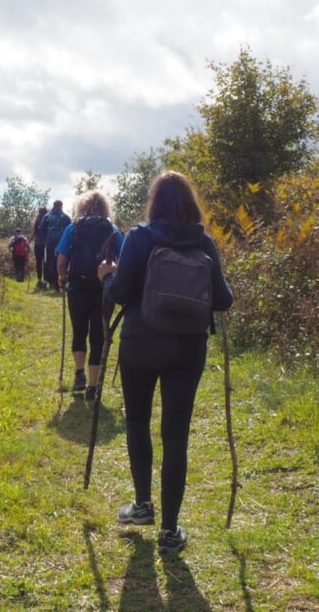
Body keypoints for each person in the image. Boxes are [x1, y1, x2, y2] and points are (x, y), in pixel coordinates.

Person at [97, 171, 232, 555]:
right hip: (187, 349)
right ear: (190, 203)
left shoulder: (139, 237)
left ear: (154, 202)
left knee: (137, 421)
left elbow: (121, 293)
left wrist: (107, 277)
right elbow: (222, 300)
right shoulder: (203, 241)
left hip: (139, 342)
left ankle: (142, 506)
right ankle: (171, 531)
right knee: (176, 435)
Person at [55, 191, 124, 397]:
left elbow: (61, 260)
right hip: (104, 289)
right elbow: (124, 259)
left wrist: (62, 278)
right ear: (105, 207)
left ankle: (79, 374)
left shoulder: (72, 227)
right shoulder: (111, 229)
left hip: (77, 287)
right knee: (98, 335)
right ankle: (93, 386)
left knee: (79, 331)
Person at [41, 200, 71, 291]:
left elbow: (41, 229)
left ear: (53, 206)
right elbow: (70, 230)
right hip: (62, 243)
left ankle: (51, 282)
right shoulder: (65, 217)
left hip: (49, 243)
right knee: (63, 262)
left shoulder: (47, 216)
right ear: (61, 206)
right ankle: (62, 282)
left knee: (50, 262)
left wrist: (45, 239)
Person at [31, 206, 49, 288]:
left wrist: (28, 242)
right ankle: (46, 280)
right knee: (46, 263)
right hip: (47, 245)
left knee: (38, 262)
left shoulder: (36, 221)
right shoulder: (49, 220)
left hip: (38, 244)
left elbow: (33, 234)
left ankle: (39, 279)